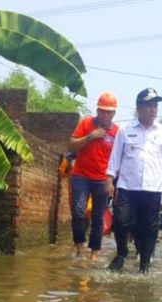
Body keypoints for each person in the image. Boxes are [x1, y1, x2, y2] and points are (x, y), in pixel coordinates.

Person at [106, 88, 162, 273]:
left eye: (155, 106)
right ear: (138, 108)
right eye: (148, 105)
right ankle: (121, 253)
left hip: (152, 188)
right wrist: (109, 179)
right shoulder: (126, 129)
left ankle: (144, 266)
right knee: (122, 221)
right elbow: (115, 157)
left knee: (149, 228)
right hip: (127, 186)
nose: (153, 109)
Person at [68, 92, 119, 260]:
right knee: (78, 212)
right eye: (102, 111)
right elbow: (72, 144)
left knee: (98, 216)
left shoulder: (118, 132)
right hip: (81, 175)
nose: (105, 115)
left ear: (114, 113)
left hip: (102, 179)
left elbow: (119, 158)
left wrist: (113, 182)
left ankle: (95, 253)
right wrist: (91, 136)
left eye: (109, 112)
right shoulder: (86, 123)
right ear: (97, 110)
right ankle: (79, 249)